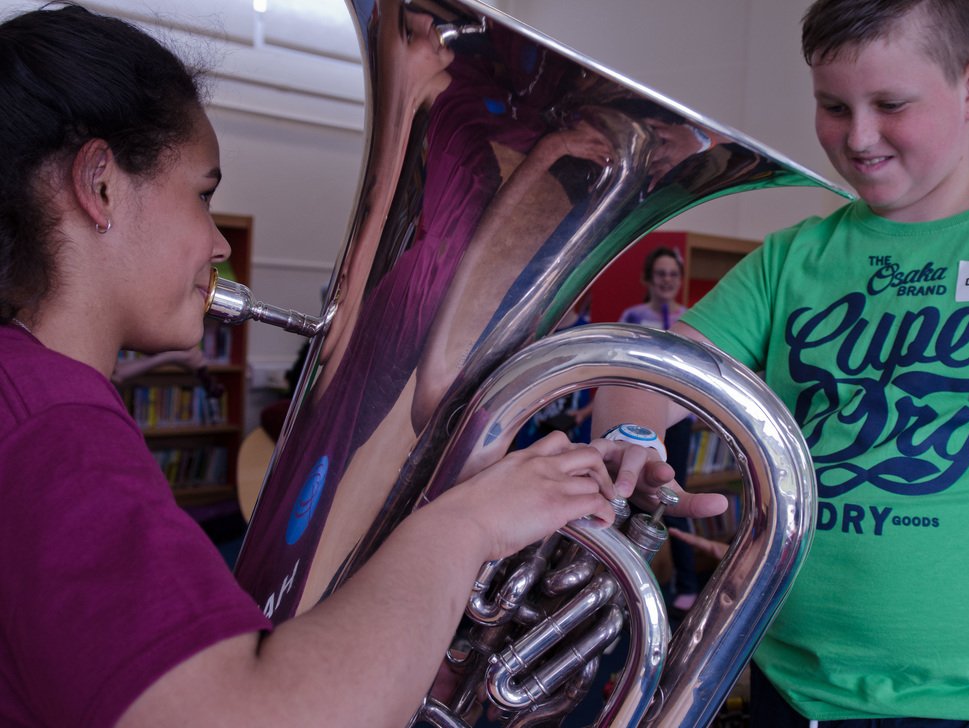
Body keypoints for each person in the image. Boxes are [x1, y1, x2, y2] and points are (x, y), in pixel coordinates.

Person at [0, 5, 720, 726]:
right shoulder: (55, 433)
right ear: (99, 186)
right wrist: (469, 525)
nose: (218, 243)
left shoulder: (32, 399)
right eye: (203, 193)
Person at [594, 1, 969, 726]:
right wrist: (636, 437)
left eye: (891, 104)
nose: (858, 137)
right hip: (791, 692)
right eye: (833, 106)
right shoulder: (792, 258)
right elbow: (643, 373)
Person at [618, 246, 701, 614]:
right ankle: (627, 580)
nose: (668, 280)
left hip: (677, 422)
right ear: (649, 279)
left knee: (673, 496)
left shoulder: (692, 319)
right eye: (661, 273)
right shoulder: (633, 316)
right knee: (635, 495)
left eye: (673, 274)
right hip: (637, 421)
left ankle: (686, 581)